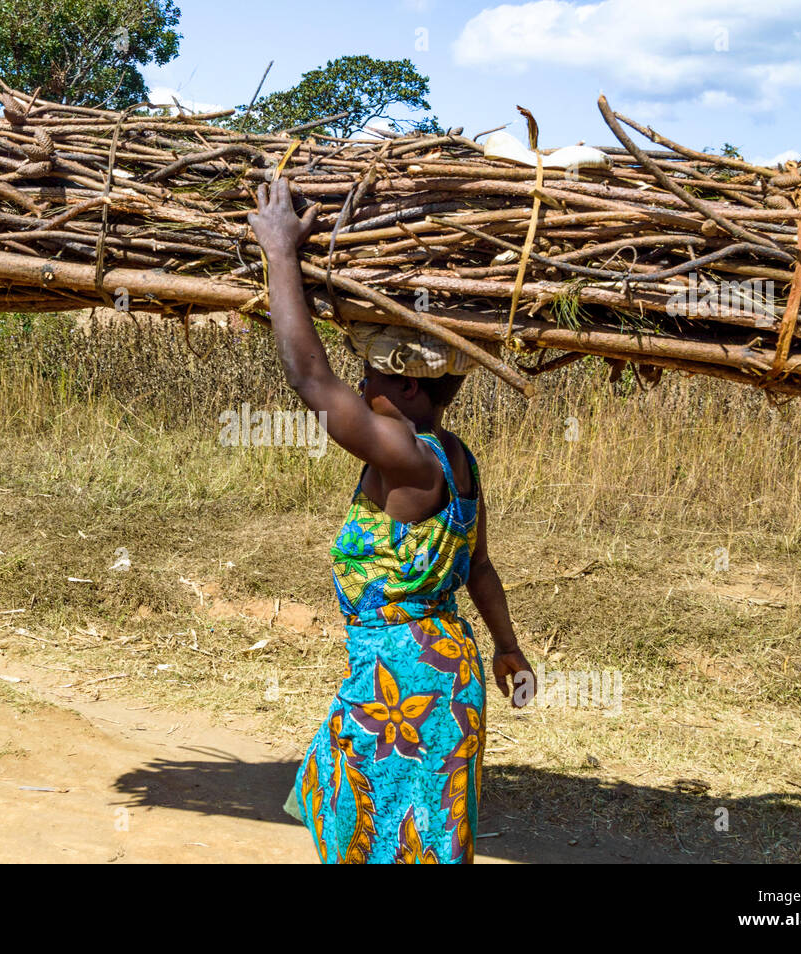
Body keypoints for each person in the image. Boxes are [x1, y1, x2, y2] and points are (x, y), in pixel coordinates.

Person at [248, 177, 535, 864]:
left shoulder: (406, 457)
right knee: (406, 837)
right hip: (439, 675)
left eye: (372, 377)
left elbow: (310, 380)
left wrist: (281, 253)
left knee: (391, 841)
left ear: (410, 385)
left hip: (407, 687)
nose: (362, 388)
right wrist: (507, 647)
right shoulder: (457, 460)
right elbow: (482, 568)